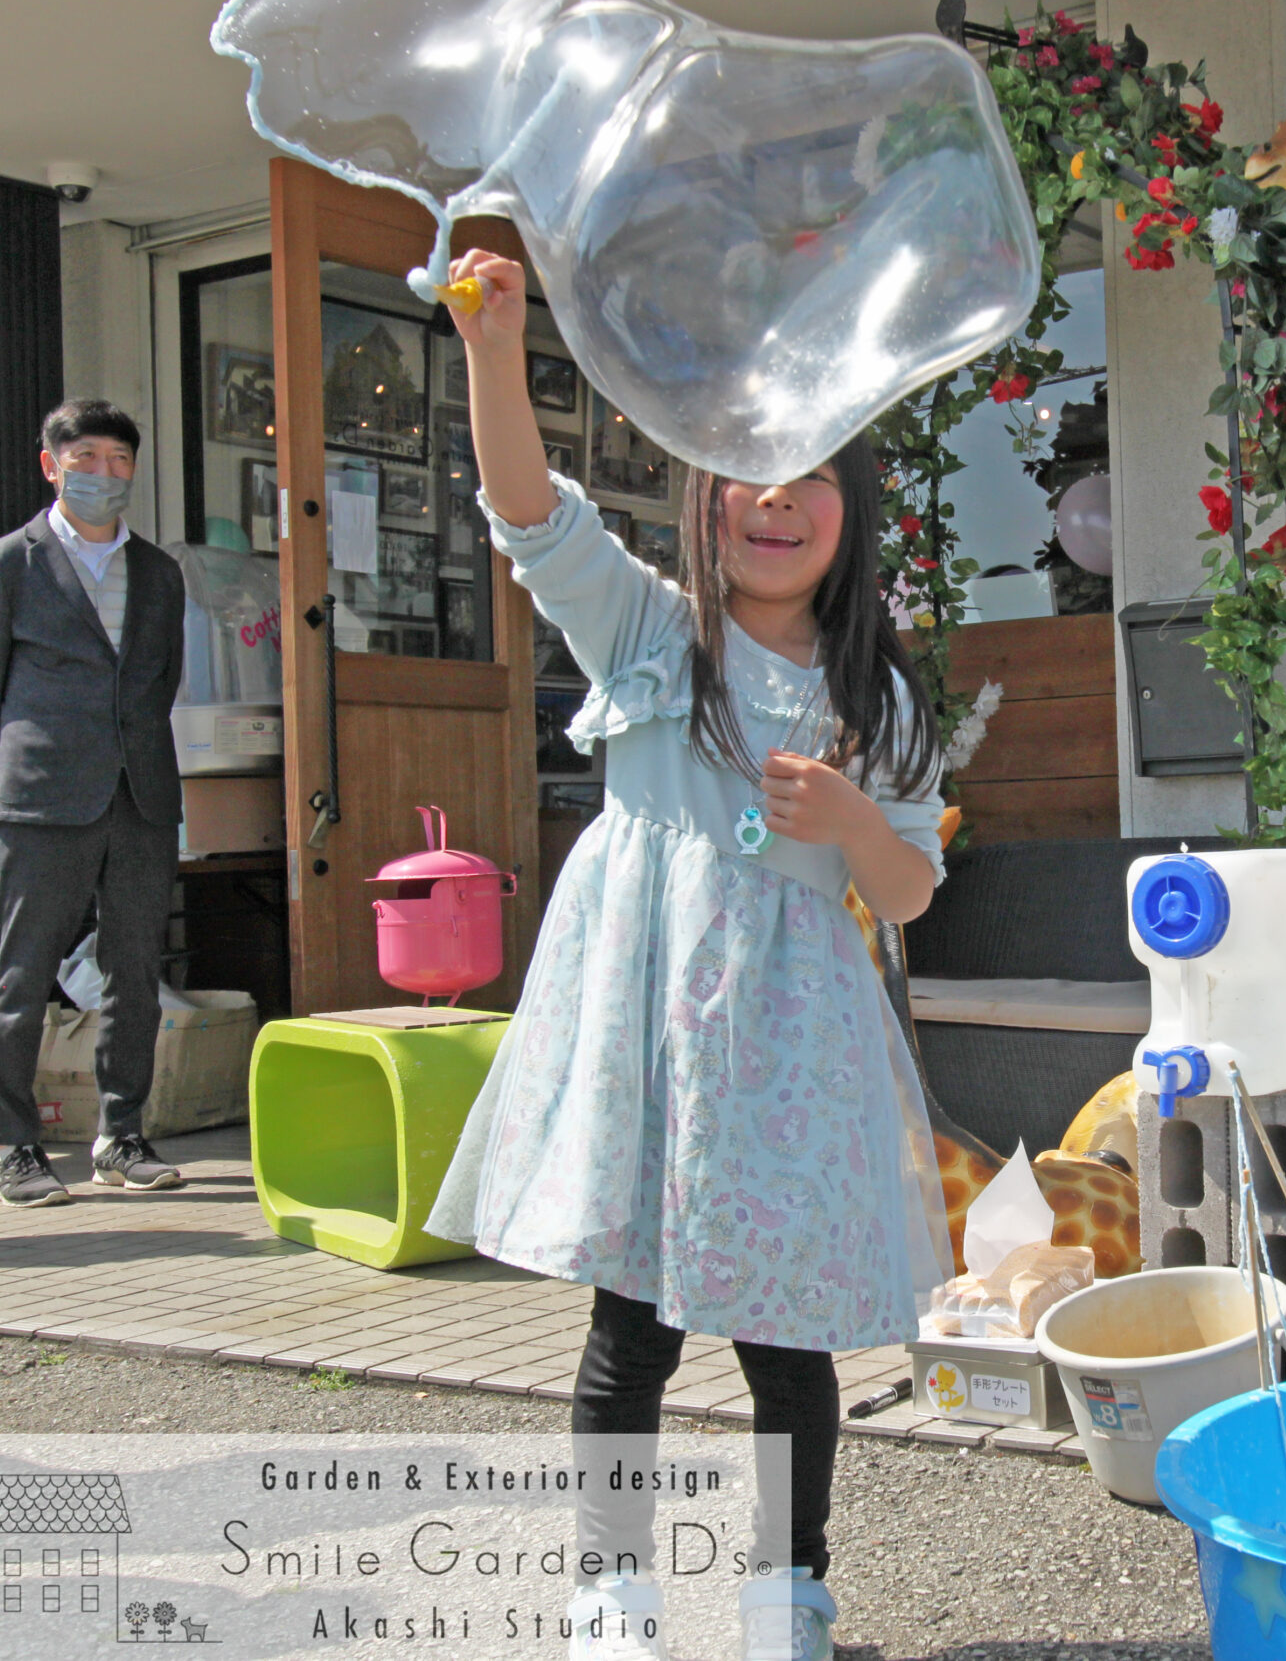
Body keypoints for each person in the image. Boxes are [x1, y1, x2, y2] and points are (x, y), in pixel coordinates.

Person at [421, 250, 953, 1661]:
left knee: (789, 1347)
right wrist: (494, 348)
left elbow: (905, 891)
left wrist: (846, 815)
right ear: (704, 496)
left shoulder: (878, 691)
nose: (776, 501)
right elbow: (531, 514)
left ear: (855, 515)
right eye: (747, 471)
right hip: (644, 1032)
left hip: (787, 1056)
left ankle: (791, 1589)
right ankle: (612, 1590)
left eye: (811, 477)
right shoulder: (650, 631)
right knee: (630, 1331)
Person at [0, 400, 187, 1208]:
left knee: (133, 971)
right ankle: (14, 1149)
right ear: (51, 465)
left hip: (142, 793)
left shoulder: (158, 572)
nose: (104, 474)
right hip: (43, 794)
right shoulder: (4, 564)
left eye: (119, 459)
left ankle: (123, 1133)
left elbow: (161, 681)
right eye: (85, 457)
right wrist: (22, 767)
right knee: (22, 973)